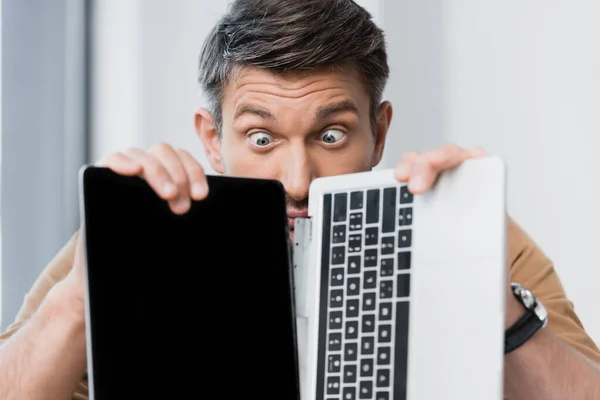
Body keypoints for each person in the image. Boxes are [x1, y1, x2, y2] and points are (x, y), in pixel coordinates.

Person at [1, 0, 600, 399]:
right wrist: (80, 301)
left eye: (331, 134)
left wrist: (498, 312)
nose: (296, 178)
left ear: (380, 133)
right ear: (213, 140)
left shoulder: (457, 230)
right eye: (261, 138)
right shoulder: (140, 230)